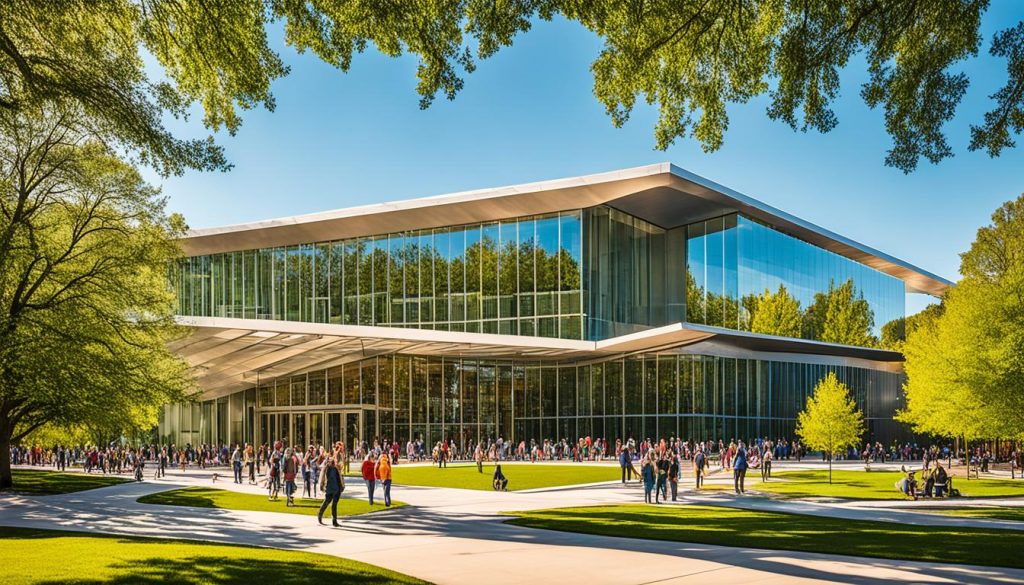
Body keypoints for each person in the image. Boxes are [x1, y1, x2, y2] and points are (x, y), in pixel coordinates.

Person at [317, 457, 344, 527]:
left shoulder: (336, 468)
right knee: (326, 502)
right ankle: (320, 515)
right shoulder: (326, 469)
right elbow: (322, 478)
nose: (332, 460)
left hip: (337, 489)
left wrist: (342, 486)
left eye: (333, 460)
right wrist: (321, 486)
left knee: (334, 505)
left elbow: (340, 477)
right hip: (329, 489)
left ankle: (334, 521)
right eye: (330, 460)